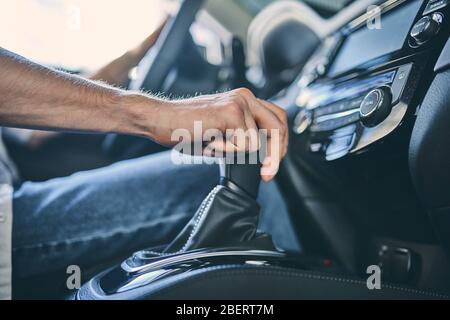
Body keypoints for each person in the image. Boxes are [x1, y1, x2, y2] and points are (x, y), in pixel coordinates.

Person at [0, 22, 297, 299]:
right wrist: (155, 113)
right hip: (10, 220)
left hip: (14, 202)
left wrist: (140, 51)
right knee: (235, 172)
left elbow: (31, 129)